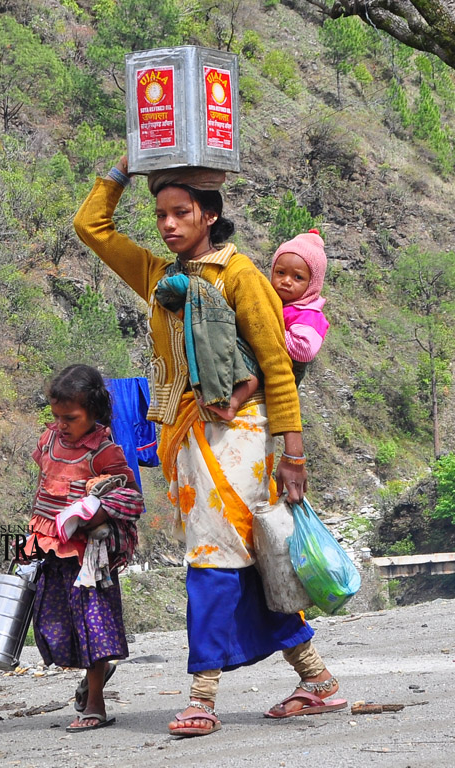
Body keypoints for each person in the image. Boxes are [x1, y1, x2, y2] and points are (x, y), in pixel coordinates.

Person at [73, 157, 346, 737]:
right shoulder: (158, 276)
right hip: (189, 441)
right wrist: (123, 169)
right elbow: (91, 228)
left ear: (210, 214)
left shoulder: (239, 274)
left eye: (181, 213)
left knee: (212, 562)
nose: (168, 224)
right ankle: (317, 681)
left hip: (242, 437)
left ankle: (202, 696)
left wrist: (292, 451)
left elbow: (275, 363)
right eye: (161, 215)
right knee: (242, 563)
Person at [24, 364, 143, 732]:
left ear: (93, 412)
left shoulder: (104, 451)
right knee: (56, 626)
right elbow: (45, 485)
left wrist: (93, 509)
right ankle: (97, 674)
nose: (62, 424)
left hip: (89, 559)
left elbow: (131, 498)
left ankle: (95, 705)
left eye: (71, 418)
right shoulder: (49, 440)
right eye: (56, 416)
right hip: (50, 549)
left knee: (94, 627)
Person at [270, 229, 330, 385]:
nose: (286, 281)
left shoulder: (308, 315)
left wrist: (267, 329)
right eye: (280, 272)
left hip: (282, 383)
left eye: (298, 277)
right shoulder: (277, 302)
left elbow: (305, 350)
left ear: (312, 283)